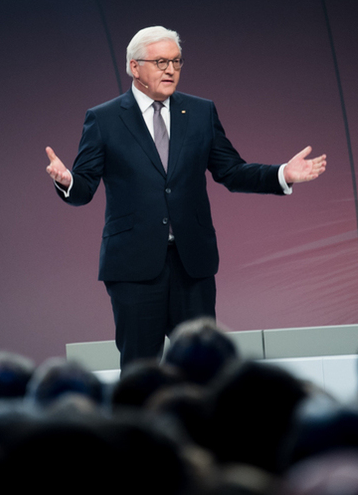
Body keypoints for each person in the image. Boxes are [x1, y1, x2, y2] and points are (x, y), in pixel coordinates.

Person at [45, 26, 326, 367]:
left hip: (192, 264)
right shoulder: (103, 119)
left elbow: (231, 171)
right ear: (135, 67)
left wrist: (282, 173)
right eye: (160, 61)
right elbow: (84, 187)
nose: (170, 69)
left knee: (205, 368)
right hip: (133, 268)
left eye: (176, 61)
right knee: (140, 370)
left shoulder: (200, 112)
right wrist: (67, 181)